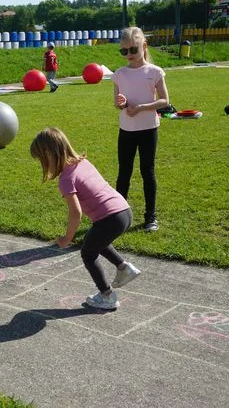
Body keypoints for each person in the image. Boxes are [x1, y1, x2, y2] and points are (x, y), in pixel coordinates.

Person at [30, 127, 140, 310]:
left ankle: (107, 296)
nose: (43, 164)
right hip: (124, 211)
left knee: (88, 253)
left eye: (41, 159)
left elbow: (76, 212)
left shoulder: (66, 179)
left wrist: (67, 237)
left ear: (49, 154)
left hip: (110, 218)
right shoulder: (83, 163)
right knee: (96, 240)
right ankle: (124, 267)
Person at [112, 27, 169, 232]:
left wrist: (143, 108)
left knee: (147, 172)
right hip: (126, 129)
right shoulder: (119, 74)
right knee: (124, 172)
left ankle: (150, 216)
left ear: (144, 47)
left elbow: (165, 101)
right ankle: (117, 216)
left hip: (148, 129)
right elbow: (117, 103)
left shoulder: (154, 72)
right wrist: (122, 103)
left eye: (133, 50)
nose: (129, 55)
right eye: (124, 51)